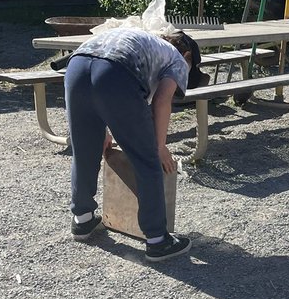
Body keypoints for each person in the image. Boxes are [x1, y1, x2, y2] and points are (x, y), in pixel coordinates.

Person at [64, 26, 208, 262]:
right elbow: (161, 102)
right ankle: (158, 240)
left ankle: (82, 219)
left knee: (85, 151)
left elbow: (100, 74)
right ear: (189, 57)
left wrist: (103, 127)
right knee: (146, 158)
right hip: (116, 73)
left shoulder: (146, 42)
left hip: (77, 66)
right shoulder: (178, 59)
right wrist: (159, 146)